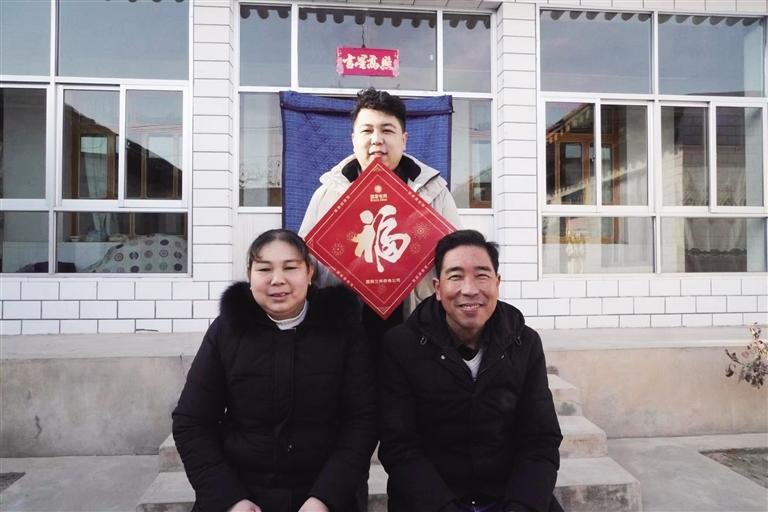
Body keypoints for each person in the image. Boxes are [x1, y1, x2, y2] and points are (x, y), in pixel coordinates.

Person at [172, 229, 376, 512]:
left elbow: (363, 420)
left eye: (290, 268)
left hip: (323, 493)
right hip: (242, 490)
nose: (277, 280)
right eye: (264, 269)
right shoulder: (227, 331)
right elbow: (191, 421)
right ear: (249, 274)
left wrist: (325, 498)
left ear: (309, 271)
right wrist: (229, 499)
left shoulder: (343, 329)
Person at [378, 230, 563, 512]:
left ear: (497, 283)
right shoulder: (401, 345)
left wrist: (521, 506)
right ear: (437, 288)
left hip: (510, 497)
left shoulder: (524, 343)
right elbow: (399, 447)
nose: (469, 289)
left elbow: (541, 440)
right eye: (456, 276)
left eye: (481, 275)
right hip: (431, 502)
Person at [298, 87, 460, 349]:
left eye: (387, 130)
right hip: (344, 337)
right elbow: (304, 262)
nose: (376, 139)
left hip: (417, 331)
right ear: (353, 139)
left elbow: (458, 260)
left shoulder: (434, 192)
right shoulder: (327, 194)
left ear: (404, 139)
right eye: (367, 130)